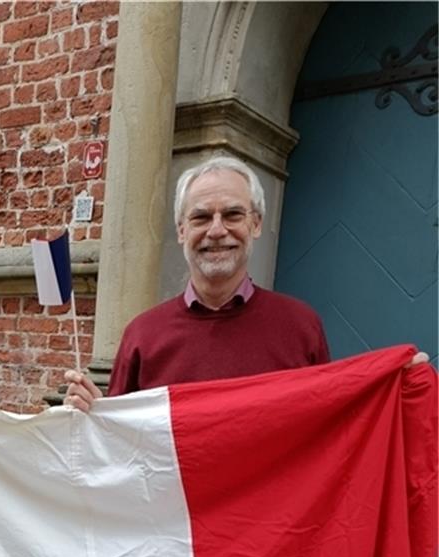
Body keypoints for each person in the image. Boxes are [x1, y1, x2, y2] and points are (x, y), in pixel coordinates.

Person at [64, 153, 425, 411]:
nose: (217, 230)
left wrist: (391, 389)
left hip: (271, 518)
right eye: (201, 217)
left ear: (255, 224)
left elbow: (329, 422)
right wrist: (93, 414)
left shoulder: (300, 326)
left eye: (233, 214)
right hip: (175, 517)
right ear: (181, 230)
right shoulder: (143, 335)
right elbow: (119, 447)